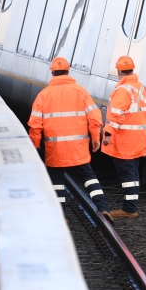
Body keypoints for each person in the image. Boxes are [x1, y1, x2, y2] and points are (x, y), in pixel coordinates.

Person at [28, 57, 110, 218]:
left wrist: (35, 145)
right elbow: (95, 118)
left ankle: (61, 216)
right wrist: (95, 139)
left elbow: (35, 124)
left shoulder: (43, 95)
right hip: (78, 148)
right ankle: (103, 208)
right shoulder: (80, 92)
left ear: (52, 73)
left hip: (55, 150)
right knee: (89, 177)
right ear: (68, 71)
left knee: (57, 182)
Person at [102, 56, 146, 220]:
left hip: (125, 141)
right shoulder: (144, 89)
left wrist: (107, 134)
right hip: (138, 140)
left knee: (127, 175)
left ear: (119, 72)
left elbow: (115, 115)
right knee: (132, 174)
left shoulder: (123, 90)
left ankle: (129, 209)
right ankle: (131, 206)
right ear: (132, 70)